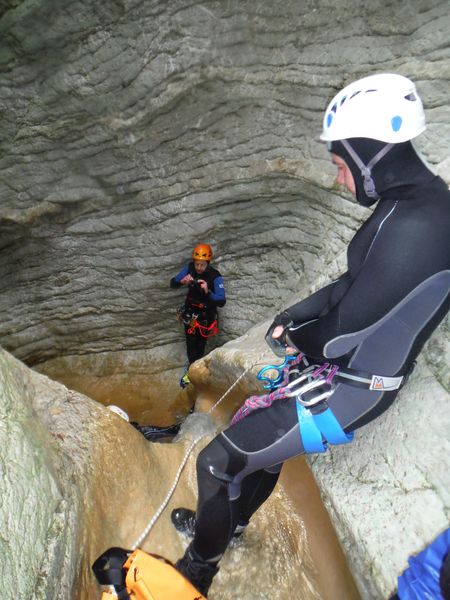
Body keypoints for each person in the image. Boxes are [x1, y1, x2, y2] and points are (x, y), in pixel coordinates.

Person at [169, 73, 450, 598]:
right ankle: (229, 525)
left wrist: (299, 338)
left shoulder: (417, 228)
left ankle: (195, 572)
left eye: (342, 165)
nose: (340, 180)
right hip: (352, 373)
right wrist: (298, 313)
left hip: (352, 386)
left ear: (369, 155)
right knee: (261, 449)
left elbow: (339, 338)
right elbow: (355, 284)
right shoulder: (414, 208)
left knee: (215, 464)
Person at [170, 244, 226, 387]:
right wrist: (181, 281)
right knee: (190, 343)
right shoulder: (189, 268)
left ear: (208, 263)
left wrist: (208, 291)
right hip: (191, 313)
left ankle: (194, 370)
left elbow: (221, 301)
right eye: (197, 264)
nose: (199, 268)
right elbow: (172, 283)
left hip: (206, 315)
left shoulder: (215, 276)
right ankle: (191, 371)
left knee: (200, 344)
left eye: (202, 265)